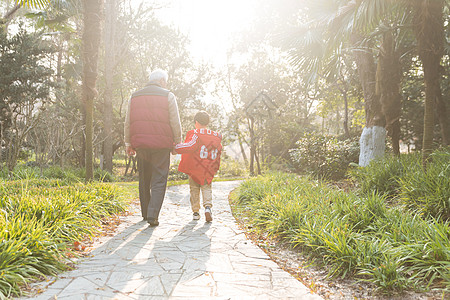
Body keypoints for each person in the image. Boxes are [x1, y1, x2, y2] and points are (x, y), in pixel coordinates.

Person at [124, 69, 182, 226]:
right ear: (162, 80)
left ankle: (145, 213)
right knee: (159, 178)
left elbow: (128, 121)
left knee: (144, 178)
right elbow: (175, 122)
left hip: (141, 144)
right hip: (162, 145)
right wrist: (177, 142)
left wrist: (128, 143)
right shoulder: (168, 95)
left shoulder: (134, 96)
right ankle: (153, 214)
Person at [175, 111, 222, 222]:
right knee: (207, 188)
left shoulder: (195, 133)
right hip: (208, 168)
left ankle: (196, 212)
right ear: (207, 122)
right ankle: (207, 208)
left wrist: (175, 147)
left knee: (194, 189)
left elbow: (190, 146)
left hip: (195, 167)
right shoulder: (215, 136)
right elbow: (219, 150)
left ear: (196, 122)